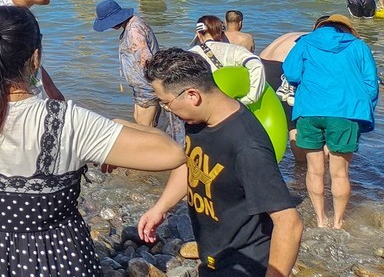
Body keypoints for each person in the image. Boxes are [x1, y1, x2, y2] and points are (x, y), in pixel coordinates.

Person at [0, 6, 183, 276]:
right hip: (54, 256)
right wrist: (119, 124)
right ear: (35, 59)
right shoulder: (68, 121)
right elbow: (172, 153)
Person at [139, 48, 302, 276]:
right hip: (214, 254)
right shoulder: (197, 120)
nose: (167, 110)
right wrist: (161, 208)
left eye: (166, 103)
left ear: (193, 95)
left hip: (245, 263)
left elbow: (289, 223)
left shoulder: (247, 146)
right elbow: (192, 163)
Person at [284, 14, 378, 229]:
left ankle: (320, 220)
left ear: (320, 27)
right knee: (340, 173)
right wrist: (364, 113)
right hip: (346, 112)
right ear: (345, 28)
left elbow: (291, 73)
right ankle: (337, 222)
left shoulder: (305, 42)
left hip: (309, 111)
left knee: (314, 170)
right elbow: (371, 83)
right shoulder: (358, 46)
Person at [93, 0, 162, 127]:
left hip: (147, 86)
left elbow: (146, 59)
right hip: (141, 86)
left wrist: (155, 86)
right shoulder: (132, 25)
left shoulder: (133, 30)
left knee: (145, 126)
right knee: (139, 120)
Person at [190, 15, 267, 106]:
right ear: (222, 33)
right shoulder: (236, 50)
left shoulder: (191, 54)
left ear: (199, 34)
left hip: (203, 104)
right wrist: (249, 99)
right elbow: (257, 65)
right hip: (230, 103)